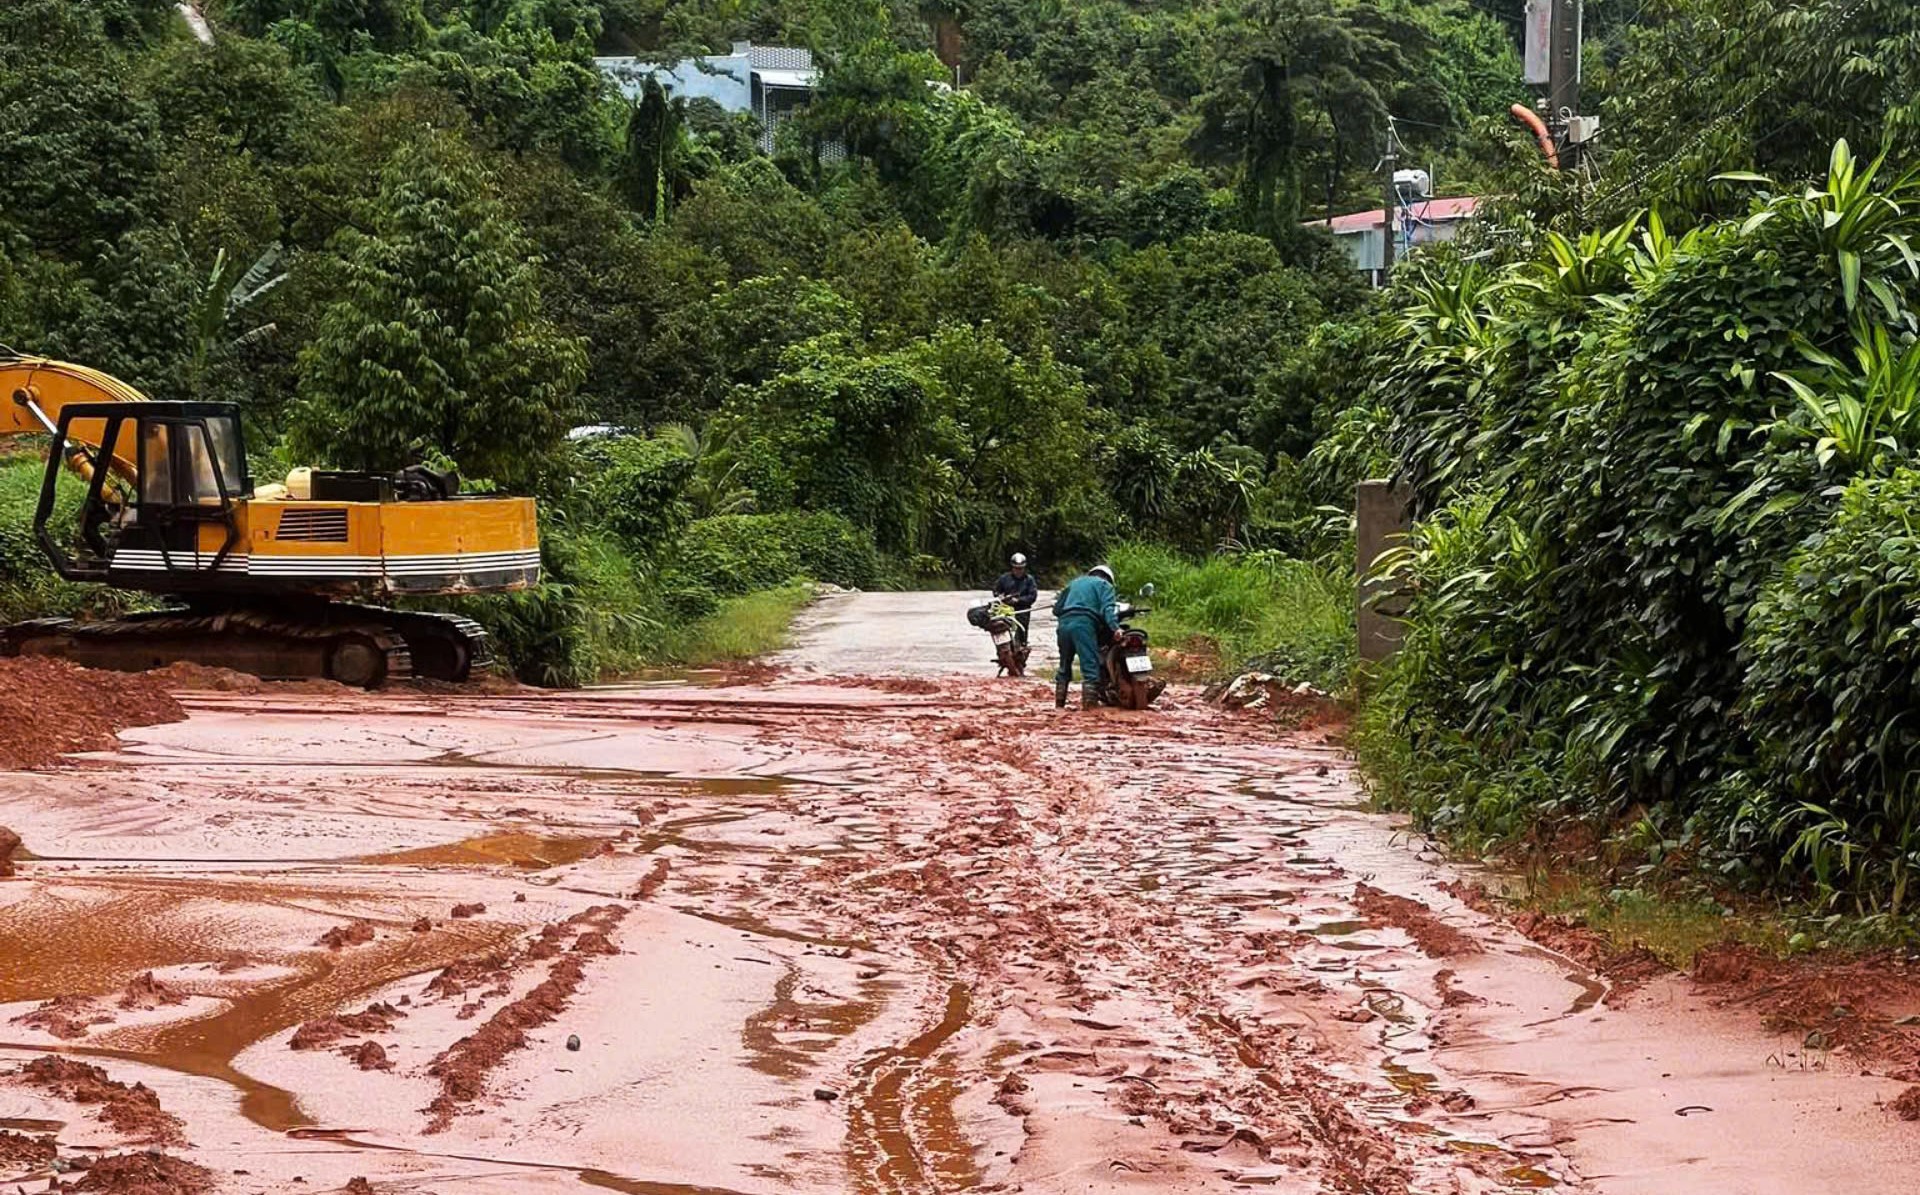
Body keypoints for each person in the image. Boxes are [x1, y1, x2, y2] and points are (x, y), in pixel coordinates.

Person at [1052, 563, 1119, 709]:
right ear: (1108, 579)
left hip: (1063, 626)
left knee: (1064, 666)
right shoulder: (1105, 585)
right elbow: (1108, 610)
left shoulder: (1073, 583)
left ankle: (1059, 705)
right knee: (1090, 667)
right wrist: (1116, 629)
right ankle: (1089, 710)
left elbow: (1056, 610)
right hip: (1083, 625)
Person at [992, 552, 1038, 639]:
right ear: (1012, 567)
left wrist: (1019, 600)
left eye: (1021, 568)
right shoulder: (1004, 578)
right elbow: (996, 590)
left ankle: (1022, 645)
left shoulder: (1029, 580)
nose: (1018, 571)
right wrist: (1000, 596)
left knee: (1022, 630)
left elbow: (1032, 596)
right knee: (1001, 630)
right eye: (1016, 568)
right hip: (1005, 610)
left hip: (1022, 610)